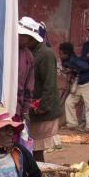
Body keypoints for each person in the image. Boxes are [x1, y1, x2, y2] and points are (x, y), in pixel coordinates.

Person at [29, 22, 62, 161]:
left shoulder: (45, 54)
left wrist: (42, 106)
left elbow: (50, 84)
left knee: (36, 148)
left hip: (40, 109)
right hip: (30, 106)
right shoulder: (28, 52)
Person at [60, 41, 89, 132]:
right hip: (78, 84)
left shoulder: (75, 60)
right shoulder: (67, 61)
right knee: (69, 102)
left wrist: (72, 70)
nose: (60, 55)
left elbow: (86, 67)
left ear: (66, 53)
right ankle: (72, 124)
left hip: (88, 83)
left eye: (61, 53)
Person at [17, 17, 40, 120]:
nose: (30, 41)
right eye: (29, 37)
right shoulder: (3, 48)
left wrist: (26, 108)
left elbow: (29, 86)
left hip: (17, 106)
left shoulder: (28, 56)